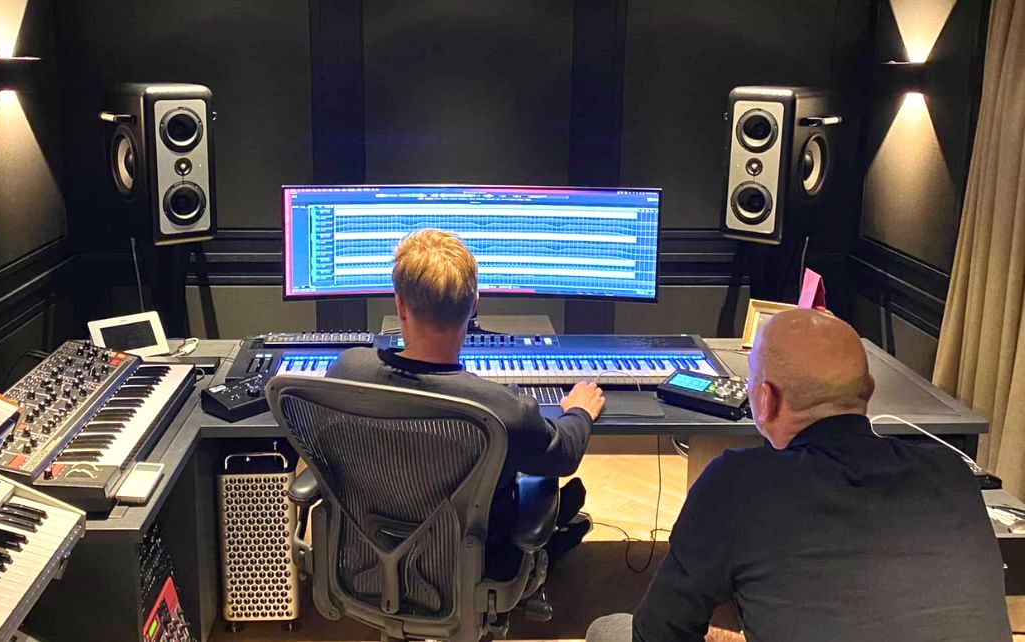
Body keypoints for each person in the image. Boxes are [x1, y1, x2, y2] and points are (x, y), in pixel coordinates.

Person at [587, 309, 1010, 642]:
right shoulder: (951, 472)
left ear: (764, 401)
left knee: (609, 631)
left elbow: (658, 635)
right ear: (868, 390)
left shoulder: (735, 483)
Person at [325, 228, 604, 580]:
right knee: (545, 490)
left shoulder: (347, 370)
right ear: (474, 304)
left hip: (367, 559)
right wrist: (579, 410)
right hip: (471, 565)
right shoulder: (500, 408)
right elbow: (562, 455)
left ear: (400, 305)